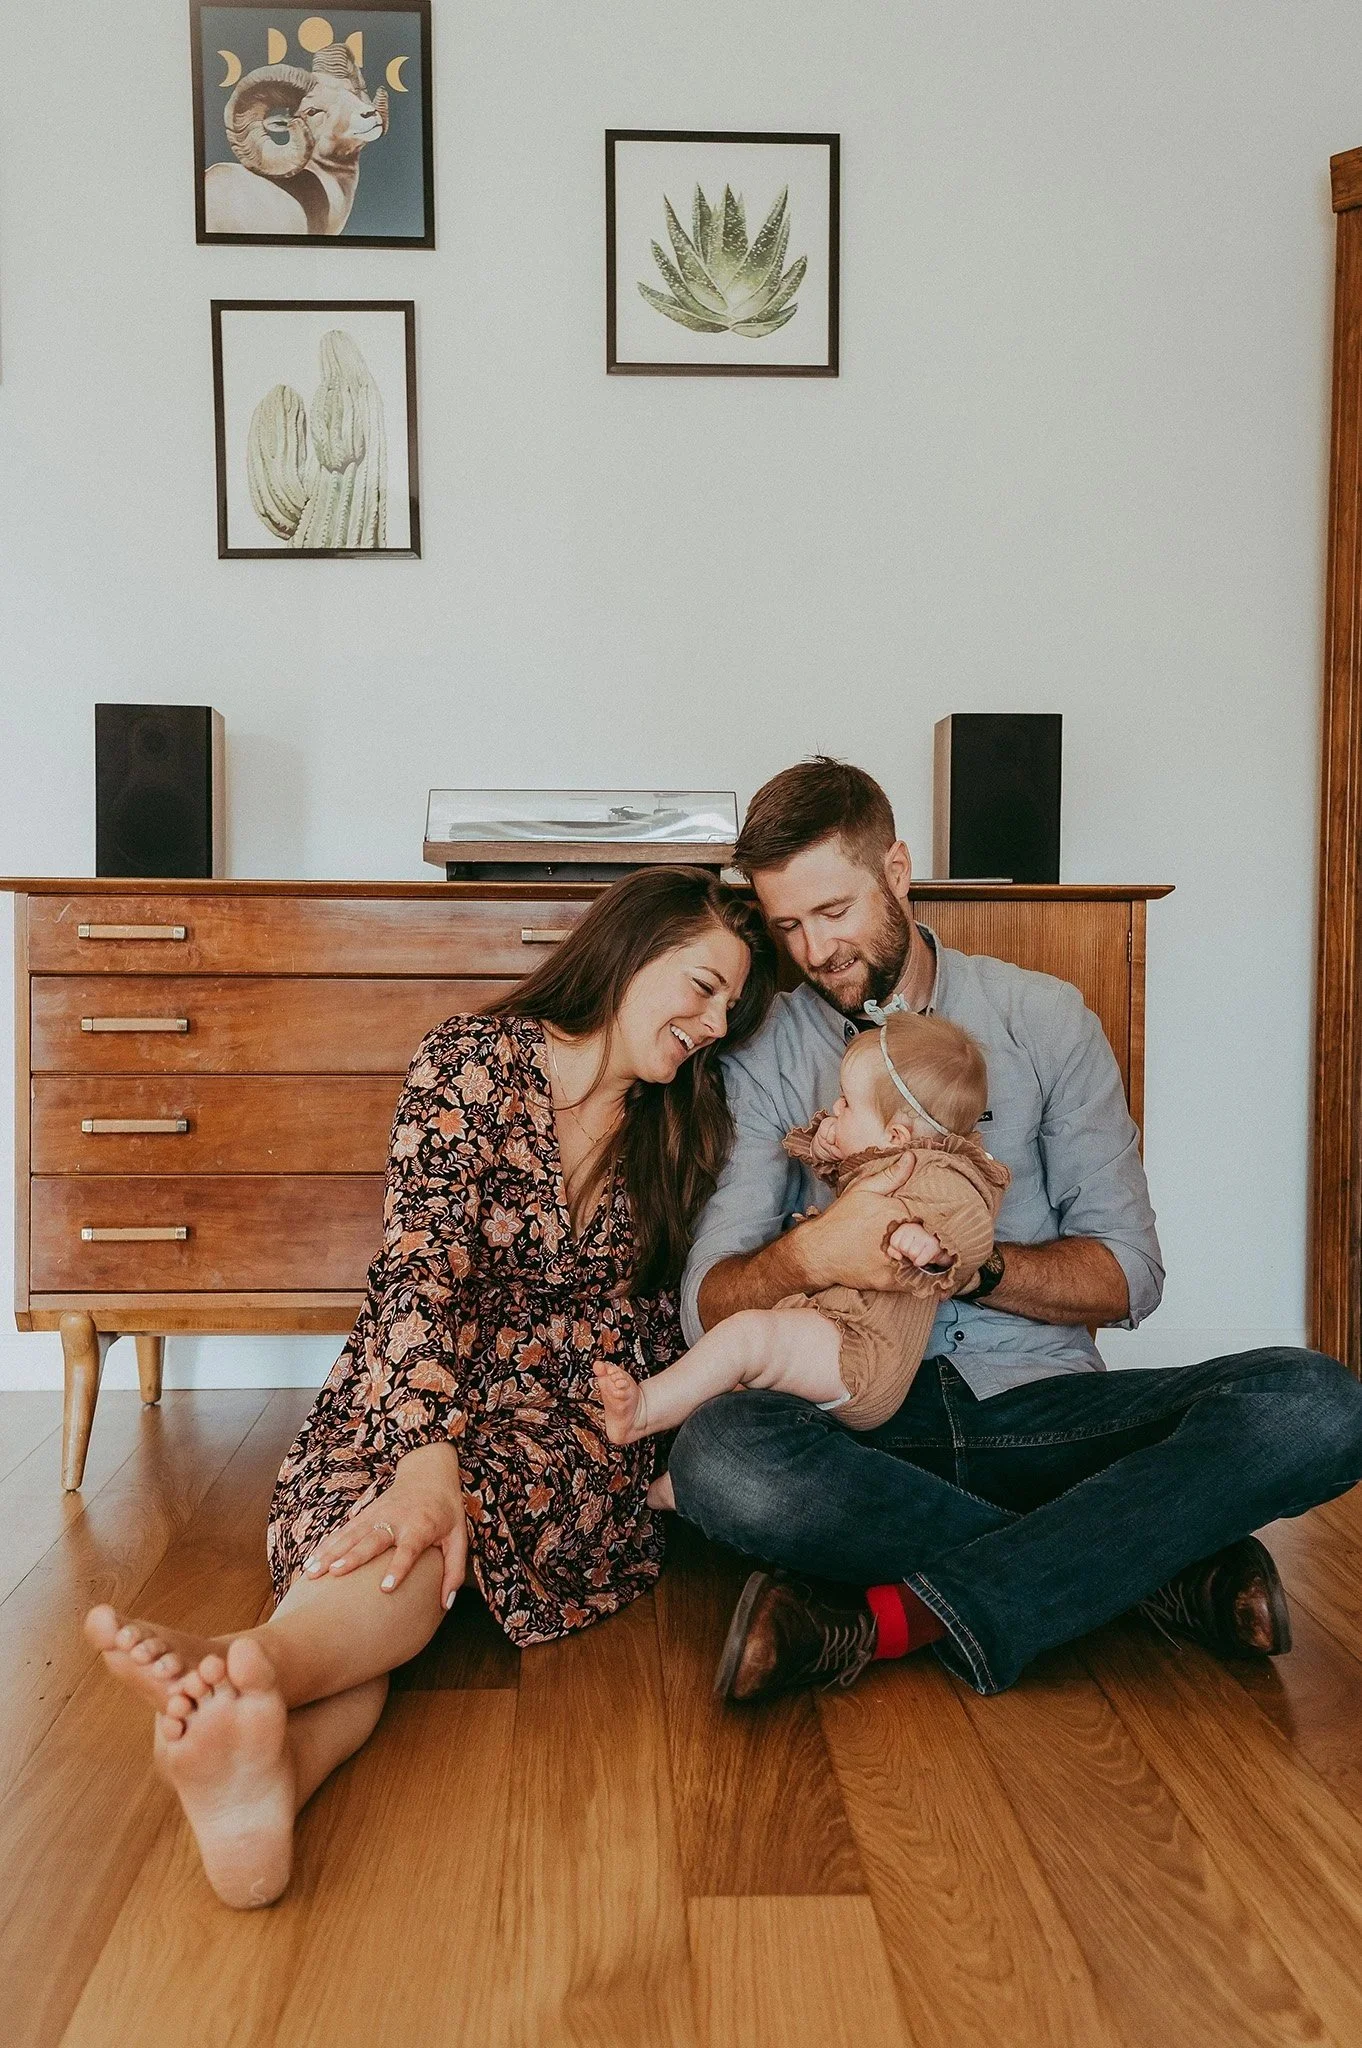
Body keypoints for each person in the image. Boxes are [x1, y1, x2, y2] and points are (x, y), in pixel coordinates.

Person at [83, 866, 776, 1908]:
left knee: (427, 1542)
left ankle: (244, 1669)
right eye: (702, 984)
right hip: (416, 1373)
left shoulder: (681, 1131)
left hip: (563, 1429)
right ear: (632, 949)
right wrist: (424, 1458)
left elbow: (658, 1312)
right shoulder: (472, 1061)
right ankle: (264, 1741)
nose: (715, 1022)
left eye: (731, 1005)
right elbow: (419, 1269)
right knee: (391, 1524)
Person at [665, 757, 1362, 1704]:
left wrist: (976, 1271)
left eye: (833, 913)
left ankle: (880, 1617)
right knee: (720, 1458)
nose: (815, 951)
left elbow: (1129, 1275)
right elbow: (709, 1306)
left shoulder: (1042, 1018)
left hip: (1044, 1412)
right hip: (861, 1419)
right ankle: (1142, 1567)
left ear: (897, 872)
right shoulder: (764, 1052)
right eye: (787, 926)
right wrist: (813, 1253)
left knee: (1316, 1401)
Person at [594, 1007, 1008, 1449]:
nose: (834, 1107)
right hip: (832, 1329)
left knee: (747, 1338)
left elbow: (971, 1223)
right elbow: (852, 1187)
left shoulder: (944, 1174)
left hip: (860, 1356)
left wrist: (934, 1247)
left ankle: (644, 1411)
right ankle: (679, 1486)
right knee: (738, 1396)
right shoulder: (893, 1159)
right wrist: (829, 1148)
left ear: (895, 1137)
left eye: (847, 1102)